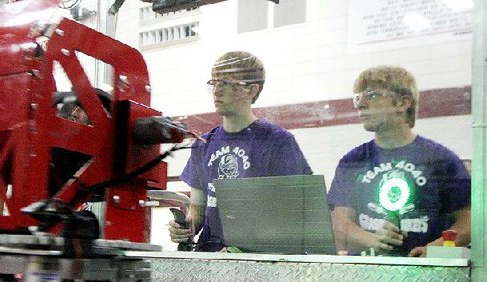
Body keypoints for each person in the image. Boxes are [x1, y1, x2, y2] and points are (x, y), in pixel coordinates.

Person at [169, 51, 312, 251]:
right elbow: (198, 211)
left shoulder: (277, 142)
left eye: (226, 83)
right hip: (210, 261)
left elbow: (292, 215)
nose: (217, 91)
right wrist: (186, 228)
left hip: (257, 265)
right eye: (214, 83)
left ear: (251, 90)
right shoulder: (203, 144)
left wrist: (242, 250)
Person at [328, 66, 471, 257]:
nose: (360, 104)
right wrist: (374, 240)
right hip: (365, 276)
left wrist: (432, 250)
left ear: (403, 103)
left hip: (425, 276)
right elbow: (340, 223)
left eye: (372, 95)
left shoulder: (441, 161)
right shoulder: (353, 161)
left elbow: (468, 224)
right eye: (357, 97)